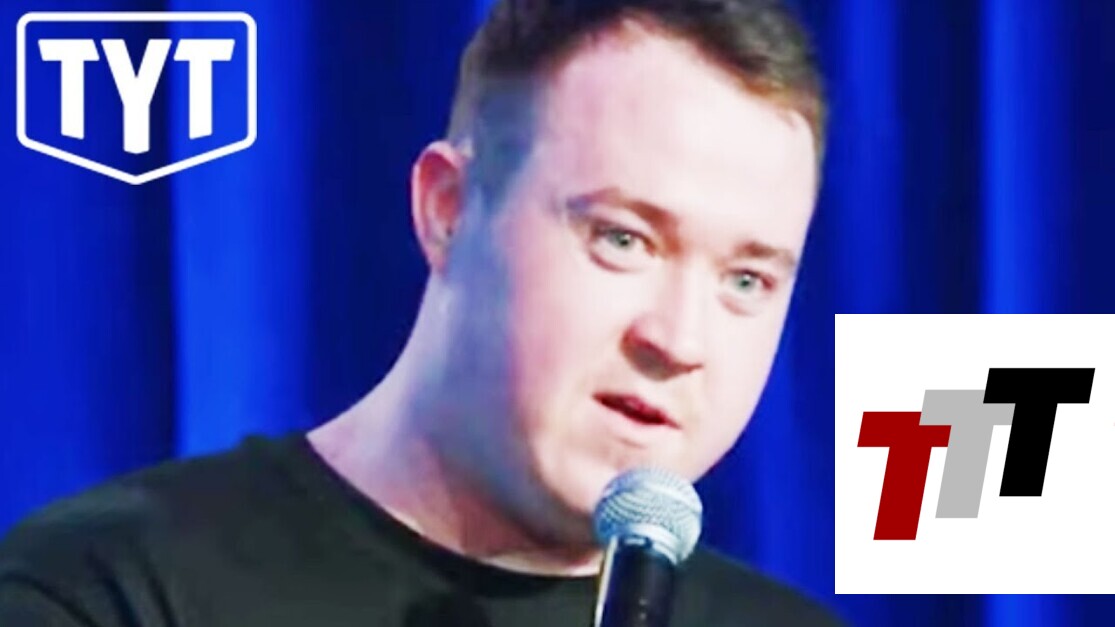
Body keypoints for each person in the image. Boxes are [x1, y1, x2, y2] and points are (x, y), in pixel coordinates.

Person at [0, 0, 842, 625]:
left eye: (745, 281)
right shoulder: (106, 590)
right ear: (448, 209)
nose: (678, 338)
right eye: (622, 239)